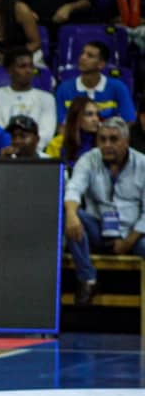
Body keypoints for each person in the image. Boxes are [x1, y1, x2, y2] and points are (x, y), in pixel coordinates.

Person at [64, 117, 145, 305]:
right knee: (70, 217)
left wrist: (128, 242)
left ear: (126, 141)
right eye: (102, 139)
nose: (107, 145)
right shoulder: (89, 159)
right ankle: (88, 278)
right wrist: (71, 213)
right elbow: (74, 188)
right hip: (98, 229)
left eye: (114, 139)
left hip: (133, 234)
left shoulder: (142, 164)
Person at [0, 47, 56, 149]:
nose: (28, 71)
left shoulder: (47, 98)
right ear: (9, 70)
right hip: (2, 153)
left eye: (31, 66)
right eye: (22, 66)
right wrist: (8, 147)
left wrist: (28, 149)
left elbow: (46, 132)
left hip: (35, 155)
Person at [54, 42, 135, 123]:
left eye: (90, 56)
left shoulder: (118, 88)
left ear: (101, 64)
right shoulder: (64, 89)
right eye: (82, 53)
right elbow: (60, 125)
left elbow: (129, 121)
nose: (83, 57)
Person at [45, 96, 99, 167]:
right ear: (76, 117)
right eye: (89, 114)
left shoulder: (103, 142)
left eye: (97, 114)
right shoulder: (57, 143)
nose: (95, 119)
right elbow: (50, 172)